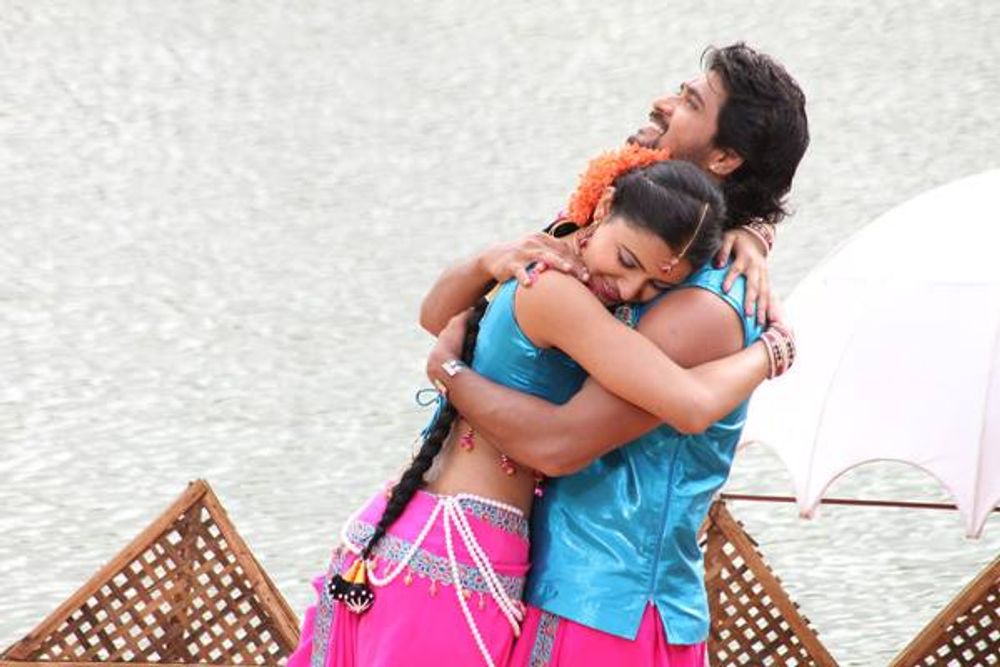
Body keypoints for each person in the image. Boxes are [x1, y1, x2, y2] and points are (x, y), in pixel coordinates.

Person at [287, 159, 794, 667]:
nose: (629, 289)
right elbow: (691, 406)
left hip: (413, 526)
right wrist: (771, 350)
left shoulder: (544, 257)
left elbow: (433, 315)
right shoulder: (557, 292)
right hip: (457, 552)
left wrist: (755, 232)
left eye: (655, 288)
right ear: (606, 204)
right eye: (626, 260)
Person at [421, 43, 809, 666]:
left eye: (690, 102)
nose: (663, 103)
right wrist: (758, 231)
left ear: (724, 158)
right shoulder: (635, 251)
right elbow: (450, 314)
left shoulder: (704, 303)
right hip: (561, 590)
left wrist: (449, 373)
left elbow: (560, 444)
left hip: (609, 607)